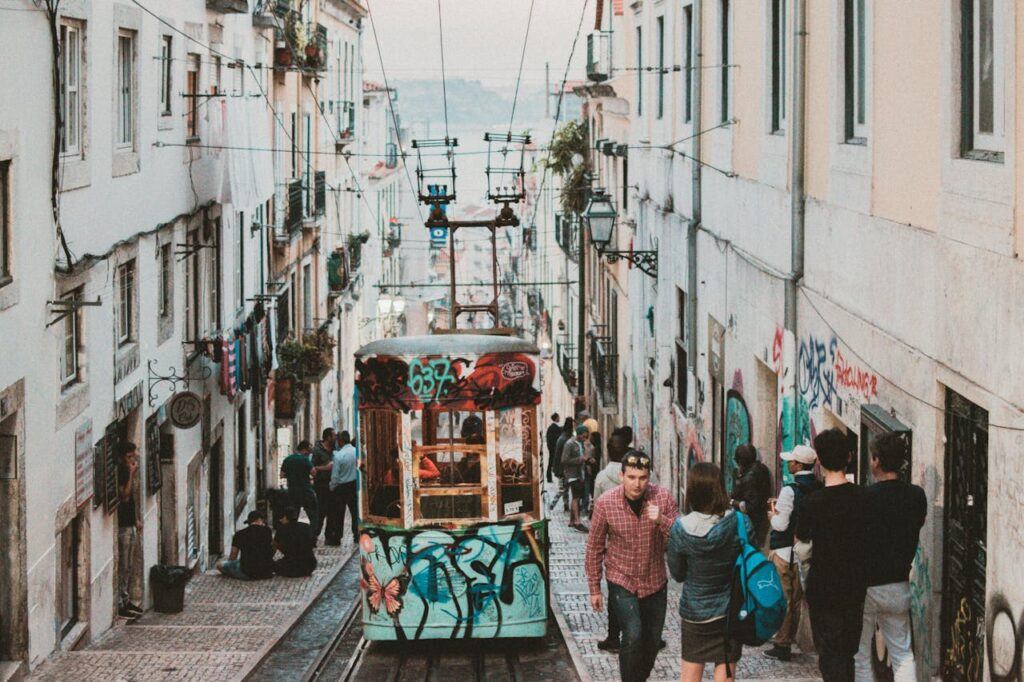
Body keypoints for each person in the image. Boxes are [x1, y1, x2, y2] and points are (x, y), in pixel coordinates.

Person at [586, 451, 678, 682]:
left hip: (654, 579)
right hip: (621, 578)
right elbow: (594, 546)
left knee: (652, 641)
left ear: (649, 477)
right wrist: (594, 588)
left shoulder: (663, 498)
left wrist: (662, 521)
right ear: (622, 476)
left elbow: (681, 536)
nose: (637, 484)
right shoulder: (606, 503)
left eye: (643, 478)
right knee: (633, 634)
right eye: (632, 477)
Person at [795, 429, 870, 682]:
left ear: (819, 461)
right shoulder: (863, 498)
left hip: (823, 588)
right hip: (854, 589)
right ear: (849, 457)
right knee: (847, 653)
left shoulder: (812, 502)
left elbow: (802, 543)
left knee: (829, 656)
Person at [854, 433, 926, 682]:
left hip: (866, 586)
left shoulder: (863, 499)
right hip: (898, 584)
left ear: (876, 460)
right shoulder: (917, 497)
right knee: (903, 654)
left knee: (860, 656)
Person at [667, 462, 745, 682]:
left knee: (690, 676)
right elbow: (749, 556)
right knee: (725, 676)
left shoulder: (680, 529)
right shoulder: (738, 523)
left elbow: (678, 574)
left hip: (696, 613)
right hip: (729, 611)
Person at [762, 443, 822, 662]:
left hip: (785, 552)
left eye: (791, 461)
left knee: (784, 599)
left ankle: (782, 643)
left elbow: (780, 524)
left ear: (797, 465)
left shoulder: (790, 490)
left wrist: (771, 515)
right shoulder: (819, 488)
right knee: (795, 599)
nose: (788, 463)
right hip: (805, 552)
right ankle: (786, 639)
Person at [593, 430, 626, 653]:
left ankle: (614, 637)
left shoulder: (603, 478)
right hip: (636, 542)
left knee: (616, 594)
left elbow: (597, 513)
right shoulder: (640, 477)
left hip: (614, 546)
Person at [114, 442, 144, 618]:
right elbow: (124, 497)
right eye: (129, 457)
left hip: (130, 524)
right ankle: (121, 603)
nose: (132, 460)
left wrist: (137, 520)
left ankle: (125, 599)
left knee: (129, 565)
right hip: (123, 527)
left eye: (134, 456)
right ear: (121, 458)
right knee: (123, 565)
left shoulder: (126, 470)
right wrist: (132, 474)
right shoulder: (121, 472)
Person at [730, 444, 773, 548]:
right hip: (758, 522)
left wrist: (732, 502)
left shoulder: (749, 477)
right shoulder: (762, 468)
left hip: (751, 524)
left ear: (740, 461)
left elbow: (750, 507)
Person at [218, 510, 274, 580]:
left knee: (219, 565)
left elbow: (233, 556)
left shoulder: (239, 534)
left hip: (247, 573)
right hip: (266, 572)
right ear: (260, 520)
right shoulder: (268, 531)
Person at [280, 441, 320, 538]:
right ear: (305, 449)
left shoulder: (288, 459)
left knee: (293, 516)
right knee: (313, 516)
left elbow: (282, 475)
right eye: (309, 449)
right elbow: (314, 473)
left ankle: (292, 537)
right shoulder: (305, 460)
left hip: (293, 492)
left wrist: (292, 475)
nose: (310, 451)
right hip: (306, 491)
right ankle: (312, 537)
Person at [326, 431, 359, 546]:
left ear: (340, 441)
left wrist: (331, 487)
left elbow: (335, 476)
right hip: (354, 485)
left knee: (339, 514)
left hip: (341, 488)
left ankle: (337, 538)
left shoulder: (339, 455)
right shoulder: (356, 452)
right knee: (355, 512)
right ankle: (357, 535)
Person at [561, 424, 592, 531]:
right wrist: (580, 459)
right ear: (578, 434)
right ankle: (578, 521)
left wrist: (588, 460)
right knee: (576, 496)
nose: (584, 438)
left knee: (576, 496)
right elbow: (564, 460)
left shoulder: (582, 444)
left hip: (580, 474)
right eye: (583, 436)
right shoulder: (569, 444)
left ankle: (571, 521)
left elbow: (585, 457)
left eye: (586, 436)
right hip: (572, 474)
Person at [274, 507, 318, 577]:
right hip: (309, 565)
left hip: (291, 565)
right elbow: (313, 542)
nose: (280, 520)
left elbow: (276, 545)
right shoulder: (306, 527)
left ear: (285, 517)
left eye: (281, 517)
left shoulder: (281, 529)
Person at [310, 428, 336, 542]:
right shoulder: (317, 450)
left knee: (332, 511)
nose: (336, 438)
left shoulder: (336, 449)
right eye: (334, 436)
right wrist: (325, 468)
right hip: (321, 484)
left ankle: (329, 536)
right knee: (321, 511)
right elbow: (312, 468)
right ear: (328, 437)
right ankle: (314, 535)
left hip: (334, 484)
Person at [547, 417, 575, 513]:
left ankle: (566, 505)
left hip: (561, 468)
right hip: (562, 469)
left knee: (565, 488)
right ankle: (551, 505)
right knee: (562, 489)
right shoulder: (565, 439)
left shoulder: (563, 437)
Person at [584, 430, 602, 516]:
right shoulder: (595, 447)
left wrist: (588, 460)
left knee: (592, 489)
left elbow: (595, 461)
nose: (590, 439)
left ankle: (592, 507)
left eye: (592, 437)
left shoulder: (596, 448)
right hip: (593, 470)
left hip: (594, 471)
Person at [545, 413, 563, 483]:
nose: (559, 418)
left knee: (550, 463)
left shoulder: (552, 427)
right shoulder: (554, 428)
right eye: (558, 417)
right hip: (554, 449)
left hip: (552, 449)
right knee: (553, 463)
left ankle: (549, 477)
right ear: (556, 418)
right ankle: (552, 477)